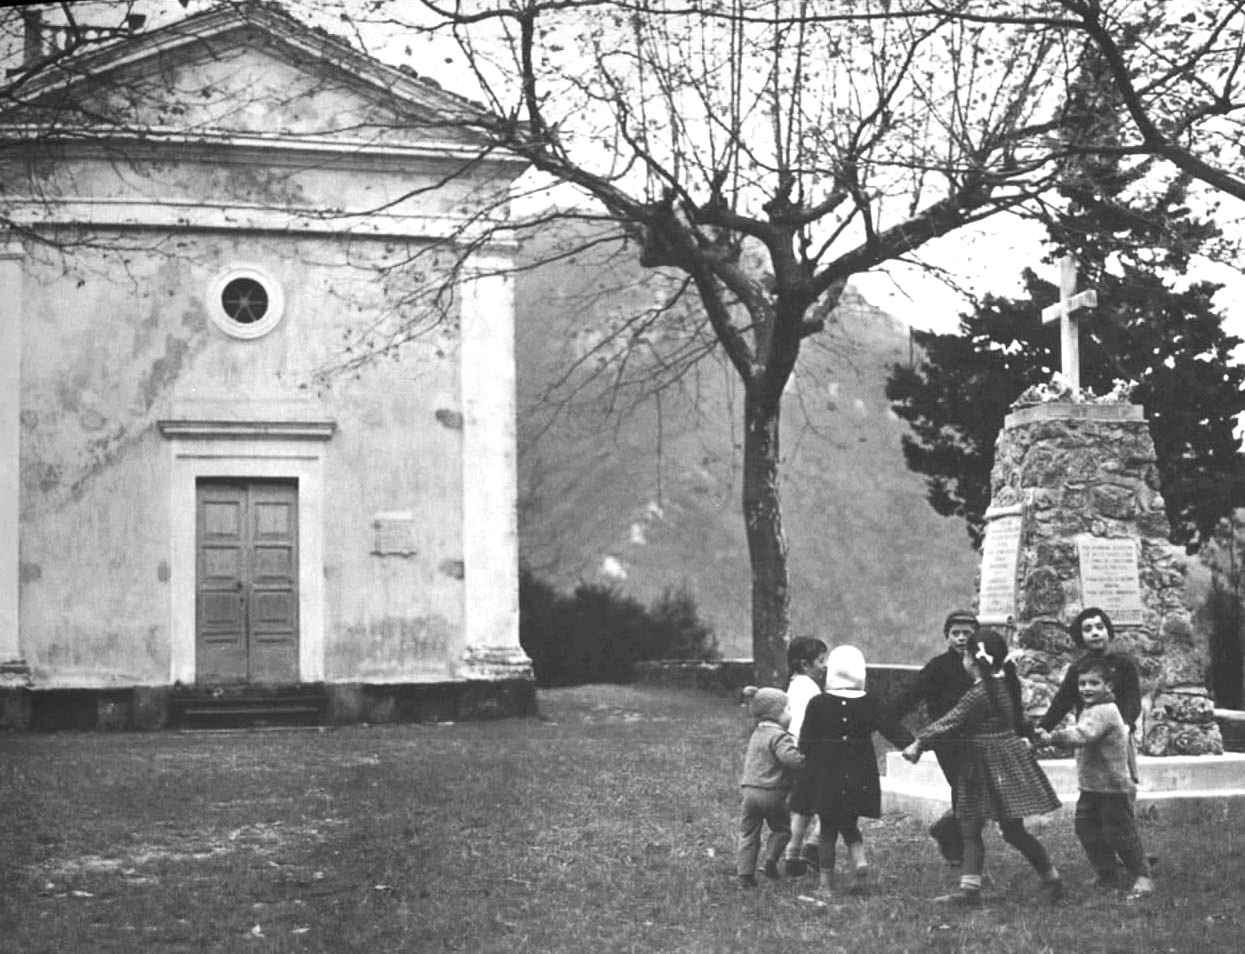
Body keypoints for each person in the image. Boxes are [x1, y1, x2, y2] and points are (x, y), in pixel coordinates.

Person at [902, 629, 1064, 906]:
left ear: (971, 660)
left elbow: (951, 720)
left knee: (973, 828)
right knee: (1002, 829)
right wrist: (1035, 733)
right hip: (999, 763)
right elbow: (1018, 719)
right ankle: (1042, 880)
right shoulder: (1003, 685)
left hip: (983, 765)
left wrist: (919, 743)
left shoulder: (980, 692)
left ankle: (980, 889)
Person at [798, 645, 913, 896]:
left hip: (827, 776)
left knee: (827, 830)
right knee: (849, 823)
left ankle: (825, 886)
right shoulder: (870, 703)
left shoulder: (818, 704)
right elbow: (889, 727)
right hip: (858, 775)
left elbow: (805, 742)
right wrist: (911, 744)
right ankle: (859, 859)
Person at [1036, 659, 1155, 899]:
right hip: (1091, 786)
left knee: (1120, 831)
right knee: (1086, 828)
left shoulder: (1106, 710)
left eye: (1094, 683)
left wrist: (1051, 737)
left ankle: (1143, 875)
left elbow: (1084, 735)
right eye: (1082, 683)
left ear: (1108, 685)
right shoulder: (1090, 708)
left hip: (1112, 787)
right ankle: (1107, 873)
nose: (1086, 688)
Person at [887, 609, 977, 866]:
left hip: (976, 738)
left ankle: (948, 831)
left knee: (973, 791)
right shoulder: (938, 667)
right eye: (955, 634)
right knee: (963, 790)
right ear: (946, 636)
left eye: (967, 634)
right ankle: (958, 847)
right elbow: (909, 697)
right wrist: (896, 729)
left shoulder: (982, 665)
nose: (961, 639)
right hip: (947, 740)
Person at [1038, 607, 1142, 784]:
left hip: (1118, 735)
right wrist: (1044, 727)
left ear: (1108, 631)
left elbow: (1133, 698)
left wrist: (1126, 724)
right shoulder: (1078, 669)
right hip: (1088, 735)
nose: (1095, 633)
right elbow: (1062, 702)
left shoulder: (1124, 664)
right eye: (1088, 629)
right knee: (1092, 783)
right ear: (1080, 636)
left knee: (1121, 784)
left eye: (1099, 627)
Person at [736, 685, 804, 888]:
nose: (790, 714)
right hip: (771, 792)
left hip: (749, 791)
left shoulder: (757, 733)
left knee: (748, 833)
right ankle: (770, 860)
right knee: (782, 830)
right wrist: (805, 759)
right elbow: (790, 760)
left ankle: (745, 876)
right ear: (776, 714)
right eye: (788, 709)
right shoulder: (780, 736)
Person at [781, 636, 828, 876]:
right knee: (830, 802)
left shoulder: (795, 685)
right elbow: (803, 725)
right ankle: (813, 844)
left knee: (803, 807)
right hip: (808, 753)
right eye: (820, 661)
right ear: (804, 665)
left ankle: (793, 855)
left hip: (796, 751)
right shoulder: (808, 689)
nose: (824, 666)